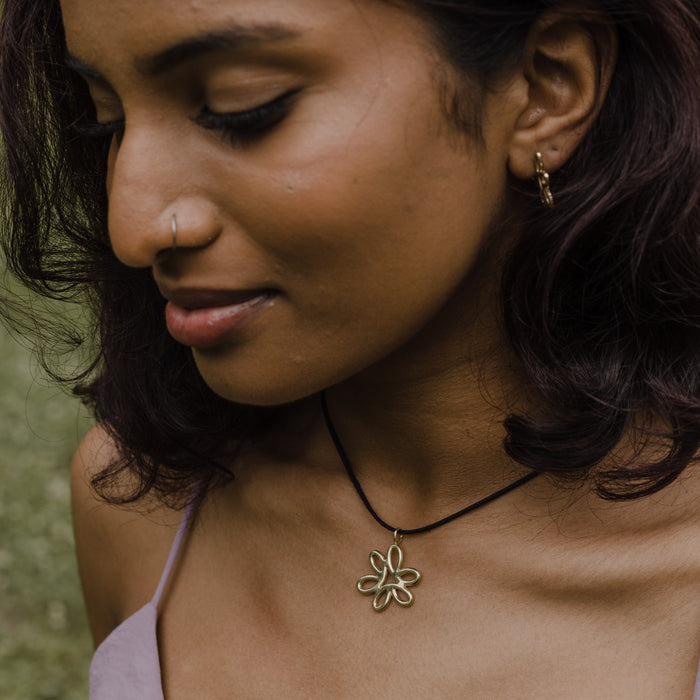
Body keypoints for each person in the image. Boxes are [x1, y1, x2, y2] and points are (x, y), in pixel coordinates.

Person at [1, 0, 699, 696]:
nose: (133, 224)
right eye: (105, 118)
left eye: (243, 107)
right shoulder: (136, 503)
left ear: (548, 87)